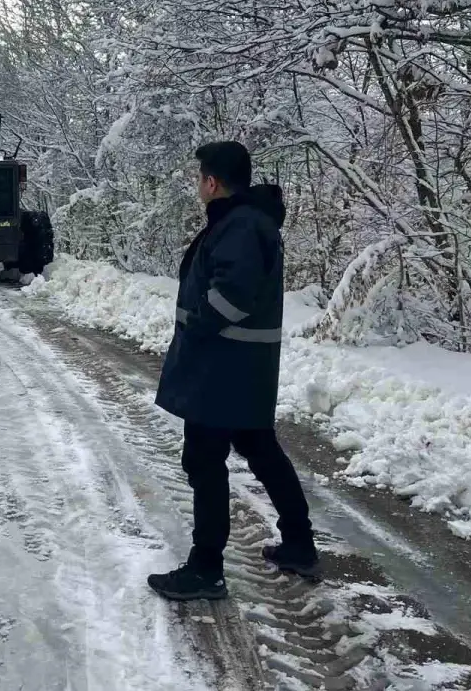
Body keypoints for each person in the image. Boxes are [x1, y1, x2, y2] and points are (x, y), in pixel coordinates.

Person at [147, 141, 317, 602]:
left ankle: (206, 569)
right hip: (241, 369)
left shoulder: (239, 226)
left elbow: (232, 294)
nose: (196, 184)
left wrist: (200, 323)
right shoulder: (247, 221)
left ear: (212, 182)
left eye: (199, 176)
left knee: (203, 462)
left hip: (221, 370)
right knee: (259, 449)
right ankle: (299, 544)